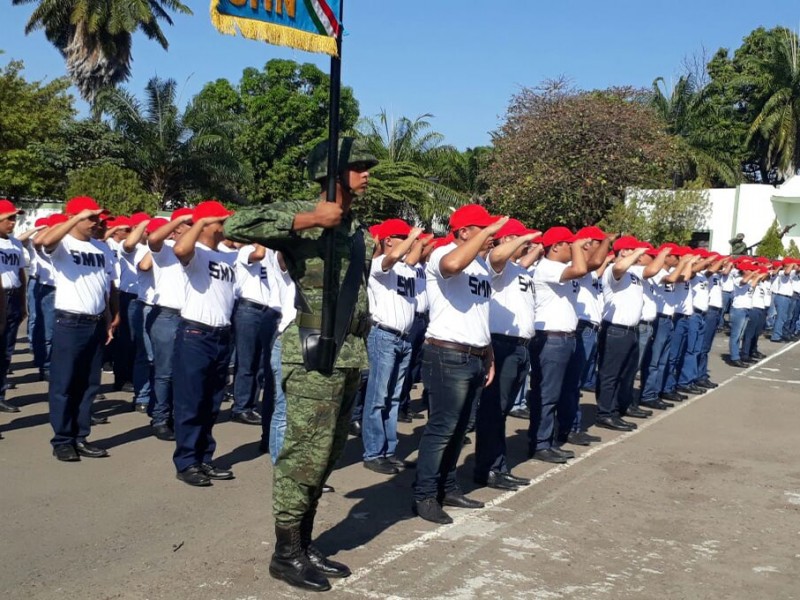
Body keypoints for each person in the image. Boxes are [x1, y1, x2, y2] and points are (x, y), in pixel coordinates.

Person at [224, 137, 378, 592]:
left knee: (327, 455)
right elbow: (237, 221)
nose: (366, 173)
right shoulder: (307, 216)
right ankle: (285, 553)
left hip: (348, 351)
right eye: (358, 166)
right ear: (331, 174)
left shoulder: (354, 229)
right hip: (311, 347)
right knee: (302, 457)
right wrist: (310, 218)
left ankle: (305, 543)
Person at [413, 205, 507, 523]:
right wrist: (484, 233)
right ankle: (425, 495)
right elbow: (453, 265)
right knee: (442, 429)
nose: (492, 236)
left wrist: (489, 354)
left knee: (460, 429)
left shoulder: (480, 266)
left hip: (476, 356)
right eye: (484, 230)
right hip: (447, 355)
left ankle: (448, 486)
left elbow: (480, 313)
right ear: (465, 231)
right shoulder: (444, 253)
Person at [38, 197, 118, 461]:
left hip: (95, 322)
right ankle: (62, 439)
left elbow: (103, 287)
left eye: (98, 218)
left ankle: (80, 436)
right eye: (91, 218)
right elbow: (44, 242)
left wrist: (108, 319)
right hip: (70, 322)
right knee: (65, 383)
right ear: (74, 217)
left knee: (89, 384)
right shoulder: (63, 244)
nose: (97, 223)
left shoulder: (101, 248)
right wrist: (72, 219)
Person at [171, 201, 237, 487]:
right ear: (208, 224)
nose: (226, 226)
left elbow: (257, 251)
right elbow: (179, 250)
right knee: (191, 402)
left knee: (211, 403)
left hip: (222, 334)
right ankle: (187, 462)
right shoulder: (195, 252)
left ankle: (204, 458)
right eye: (221, 221)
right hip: (196, 334)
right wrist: (199, 221)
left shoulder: (227, 256)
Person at [473, 218, 539, 490]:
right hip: (502, 345)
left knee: (502, 412)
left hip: (520, 347)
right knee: (492, 411)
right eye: (521, 239)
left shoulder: (519, 269)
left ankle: (498, 465)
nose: (529, 244)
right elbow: (496, 255)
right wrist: (518, 239)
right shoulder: (496, 264)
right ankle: (486, 468)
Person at [528, 227, 595, 463]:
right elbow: (580, 267)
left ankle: (548, 440)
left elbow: (590, 264)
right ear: (555, 246)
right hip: (551, 338)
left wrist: (586, 244)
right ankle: (540, 442)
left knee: (557, 392)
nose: (574, 248)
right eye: (568, 244)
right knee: (547, 394)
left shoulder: (561, 269)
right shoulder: (547, 267)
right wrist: (579, 245)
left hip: (565, 337)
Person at [361, 219, 423, 475]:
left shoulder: (407, 269)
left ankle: (388, 451)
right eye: (402, 236)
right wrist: (413, 238)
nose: (410, 240)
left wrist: (415, 241)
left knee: (394, 398)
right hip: (383, 335)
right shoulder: (379, 265)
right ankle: (373, 452)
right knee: (378, 397)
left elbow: (409, 256)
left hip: (404, 338)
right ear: (388, 240)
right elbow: (392, 257)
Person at [145, 209, 193, 441]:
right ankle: (160, 418)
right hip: (167, 316)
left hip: (190, 319)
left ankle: (176, 415)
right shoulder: (164, 251)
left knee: (182, 373)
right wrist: (178, 221)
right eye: (188, 224)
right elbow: (153, 239)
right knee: (165, 372)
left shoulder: (197, 251)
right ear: (175, 230)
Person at [231, 242, 282, 426]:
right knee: (247, 361)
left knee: (261, 363)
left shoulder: (273, 253)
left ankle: (250, 404)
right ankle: (241, 407)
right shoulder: (248, 250)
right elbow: (258, 255)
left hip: (267, 310)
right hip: (249, 309)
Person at [0, 200, 27, 414]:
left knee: (6, 352)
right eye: (8, 218)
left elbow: (20, 273)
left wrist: (23, 301)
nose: (12, 222)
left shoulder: (15, 244)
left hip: (13, 296)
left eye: (14, 218)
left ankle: (0, 394)